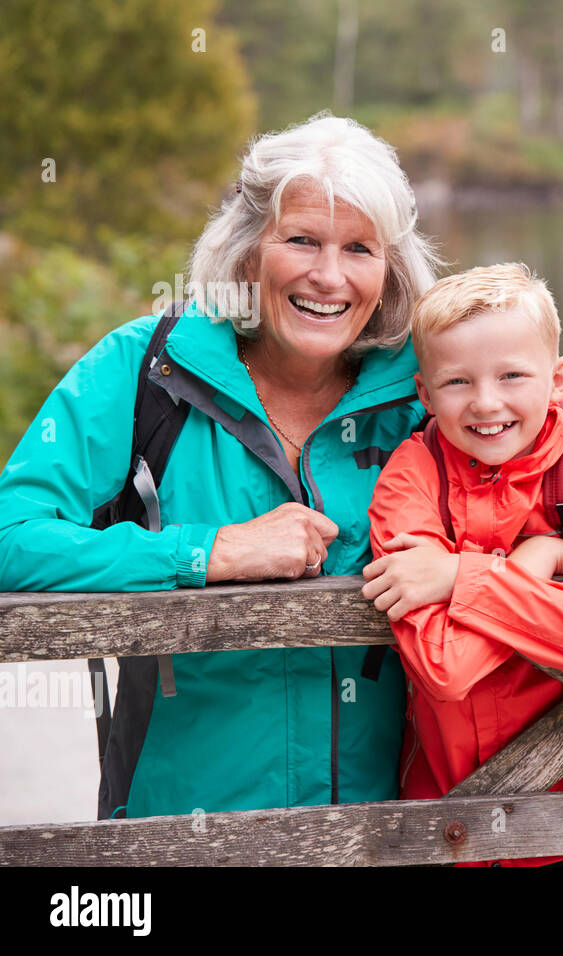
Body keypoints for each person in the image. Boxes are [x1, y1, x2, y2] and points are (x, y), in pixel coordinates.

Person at [0, 113, 440, 819]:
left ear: (389, 269)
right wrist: (210, 551)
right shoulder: (144, 369)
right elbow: (10, 536)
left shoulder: (433, 386)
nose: (329, 277)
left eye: (359, 248)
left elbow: (561, 463)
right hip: (178, 834)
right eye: (301, 240)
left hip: (389, 835)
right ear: (246, 252)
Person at [362, 263, 563, 867]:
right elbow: (445, 668)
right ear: (423, 393)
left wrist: (460, 577)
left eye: (512, 376)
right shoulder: (410, 479)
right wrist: (540, 558)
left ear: (558, 379)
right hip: (446, 816)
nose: (486, 403)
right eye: (457, 383)